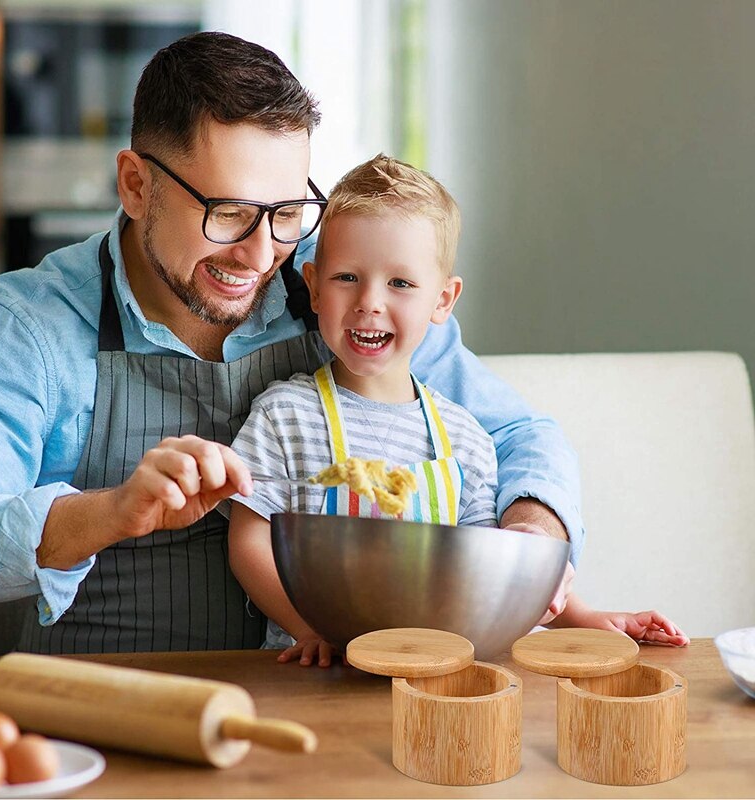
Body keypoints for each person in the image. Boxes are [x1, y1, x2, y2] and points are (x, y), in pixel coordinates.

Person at [0, 32, 582, 655]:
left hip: (315, 691)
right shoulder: (32, 325)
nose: (260, 255)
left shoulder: (336, 281)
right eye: (227, 212)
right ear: (136, 185)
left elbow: (515, 434)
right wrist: (112, 510)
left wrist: (530, 536)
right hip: (108, 697)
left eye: (285, 211)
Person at [227, 154, 688, 666]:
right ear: (313, 286)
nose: (369, 302)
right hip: (318, 670)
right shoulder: (283, 416)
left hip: (436, 666)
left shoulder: (465, 437)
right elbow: (250, 542)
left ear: (443, 301)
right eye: (346, 278)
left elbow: (491, 562)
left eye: (400, 283)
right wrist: (308, 629)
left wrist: (583, 615)